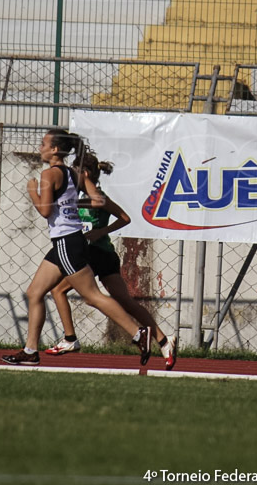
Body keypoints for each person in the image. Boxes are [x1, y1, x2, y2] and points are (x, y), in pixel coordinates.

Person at [2, 129, 151, 366]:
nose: (39, 148)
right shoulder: (74, 173)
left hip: (66, 242)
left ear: (54, 150)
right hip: (68, 241)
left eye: (43, 144)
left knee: (92, 295)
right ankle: (30, 350)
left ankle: (137, 333)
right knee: (34, 293)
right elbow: (99, 200)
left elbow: (44, 210)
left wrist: (33, 191)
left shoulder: (49, 175)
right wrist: (73, 202)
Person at [43, 152, 177, 371]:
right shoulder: (76, 196)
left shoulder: (98, 198)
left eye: (74, 173)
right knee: (125, 301)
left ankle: (69, 338)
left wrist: (101, 231)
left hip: (95, 252)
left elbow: (124, 217)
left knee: (59, 291)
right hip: (100, 253)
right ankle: (164, 341)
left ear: (84, 174)